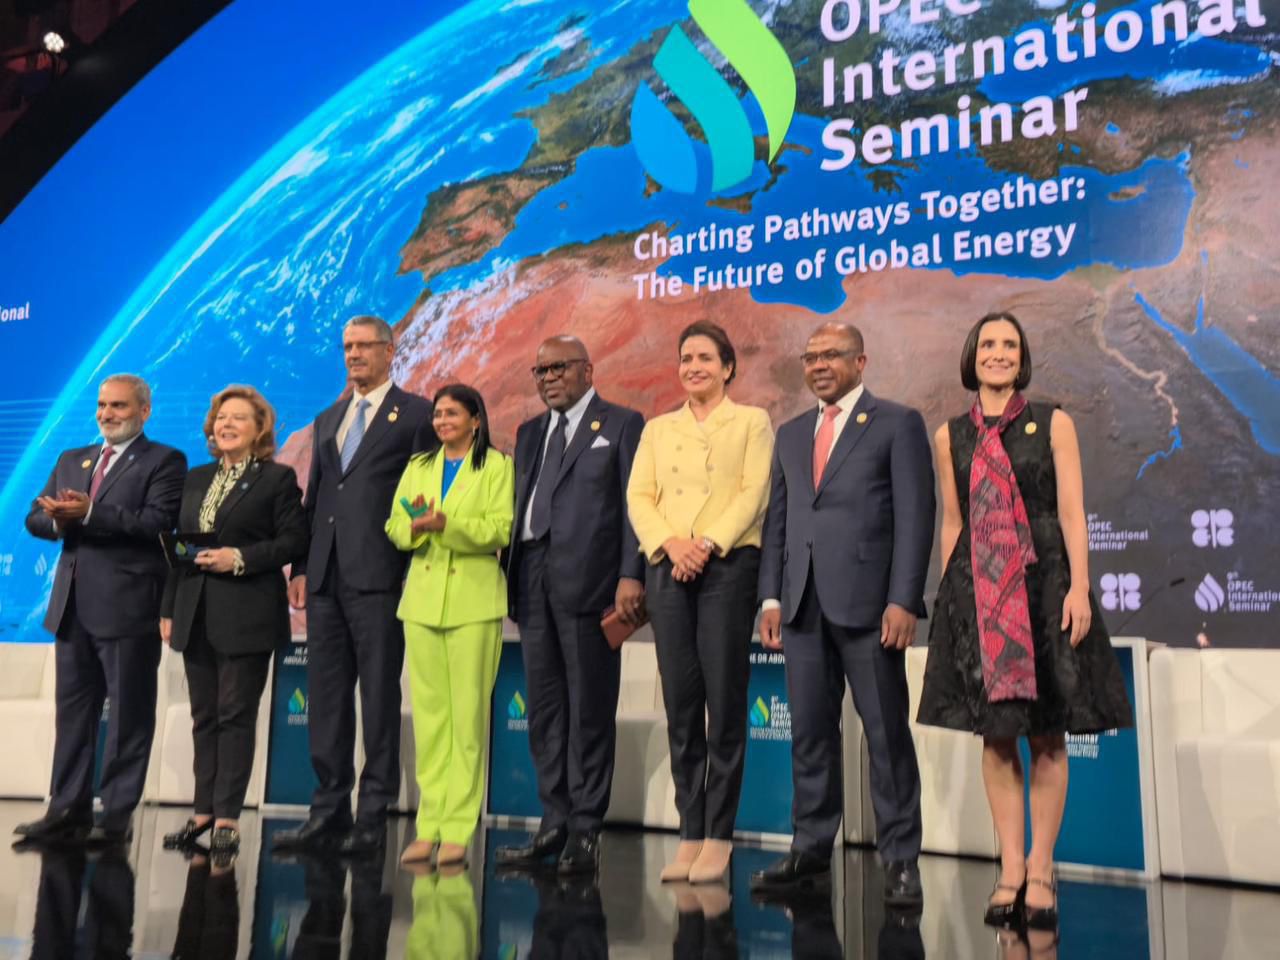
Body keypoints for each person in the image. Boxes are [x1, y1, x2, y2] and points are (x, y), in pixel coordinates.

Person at [916, 312, 1131, 931]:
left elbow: (1072, 512)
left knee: (1047, 734)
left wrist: (1080, 588)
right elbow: (953, 522)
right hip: (980, 597)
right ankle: (1010, 868)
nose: (998, 353)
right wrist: (955, 600)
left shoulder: (1052, 422)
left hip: (1044, 590)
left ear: (1022, 356)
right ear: (972, 355)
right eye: (988, 344)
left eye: (1009, 345)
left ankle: (1041, 868)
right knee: (996, 735)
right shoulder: (949, 436)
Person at [753, 323, 935, 908]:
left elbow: (915, 517)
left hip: (870, 610)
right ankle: (810, 850)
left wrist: (903, 599)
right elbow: (778, 521)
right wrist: (771, 598)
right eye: (810, 357)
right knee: (809, 735)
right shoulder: (791, 434)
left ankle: (901, 860)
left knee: (886, 737)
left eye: (831, 355)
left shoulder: (897, 424)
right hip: (801, 608)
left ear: (861, 361)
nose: (819, 365)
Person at [275, 314, 435, 856]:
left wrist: (411, 563)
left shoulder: (417, 414)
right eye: (347, 346)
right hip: (325, 579)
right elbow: (316, 498)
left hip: (380, 576)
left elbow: (424, 493)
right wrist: (301, 568)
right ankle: (328, 810)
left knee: (379, 697)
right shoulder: (330, 417)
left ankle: (373, 814)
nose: (354, 355)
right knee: (326, 698)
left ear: (390, 352)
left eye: (364, 346)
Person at [626, 321, 774, 884]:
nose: (694, 367)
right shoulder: (658, 429)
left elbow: (753, 493)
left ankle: (719, 837)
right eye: (686, 358)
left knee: (724, 705)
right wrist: (671, 544)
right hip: (668, 568)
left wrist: (706, 544)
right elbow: (639, 496)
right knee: (682, 707)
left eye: (705, 358)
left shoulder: (752, 422)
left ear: (727, 367)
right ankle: (690, 831)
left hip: (727, 568)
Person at [496, 335, 646, 875]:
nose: (549, 377)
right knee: (545, 713)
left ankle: (585, 830)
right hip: (532, 582)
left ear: (588, 369)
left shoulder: (622, 424)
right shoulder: (530, 432)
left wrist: (631, 574)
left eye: (559, 367)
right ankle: (553, 823)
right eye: (541, 370)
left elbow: (633, 508)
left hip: (592, 584)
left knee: (589, 713)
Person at [16, 374, 185, 847]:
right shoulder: (73, 459)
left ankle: (115, 814)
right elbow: (34, 516)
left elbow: (157, 524)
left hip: (127, 609)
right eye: (102, 405)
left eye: (118, 406)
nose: (107, 414)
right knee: (72, 714)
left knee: (129, 715)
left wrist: (90, 513)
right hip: (71, 609)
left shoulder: (165, 460)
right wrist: (56, 520)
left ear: (144, 411)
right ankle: (65, 809)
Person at [159, 386, 309, 857]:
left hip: (247, 615)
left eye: (238, 418)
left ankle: (227, 818)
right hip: (195, 612)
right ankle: (201, 814)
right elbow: (179, 545)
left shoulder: (276, 479)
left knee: (235, 716)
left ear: (259, 429)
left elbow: (293, 541)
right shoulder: (196, 477)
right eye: (221, 418)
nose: (226, 425)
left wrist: (239, 558)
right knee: (204, 717)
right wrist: (168, 607)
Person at [386, 384, 514, 866]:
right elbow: (394, 525)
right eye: (437, 414)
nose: (441, 421)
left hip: (473, 605)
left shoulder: (497, 467)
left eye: (452, 413)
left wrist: (448, 526)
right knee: (431, 721)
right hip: (422, 604)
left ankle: (458, 828)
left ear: (476, 420)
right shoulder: (419, 467)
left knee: (467, 721)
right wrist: (414, 530)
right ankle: (429, 826)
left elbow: (500, 528)